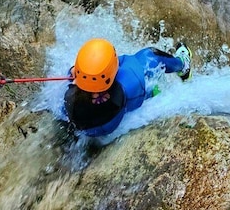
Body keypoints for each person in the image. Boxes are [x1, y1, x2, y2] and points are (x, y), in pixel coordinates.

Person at [63, 38, 192, 137]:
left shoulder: (70, 96)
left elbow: (75, 77)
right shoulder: (129, 83)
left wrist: (79, 73)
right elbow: (128, 62)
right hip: (119, 109)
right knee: (151, 55)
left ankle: (152, 91)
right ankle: (183, 65)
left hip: (90, 127)